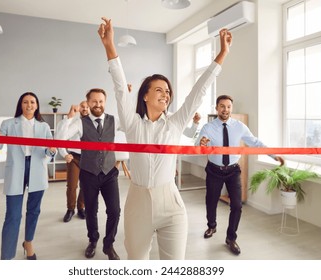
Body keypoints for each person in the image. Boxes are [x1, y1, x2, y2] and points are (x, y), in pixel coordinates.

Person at [97, 17, 232, 260]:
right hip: (138, 204)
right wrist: (109, 46)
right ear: (145, 96)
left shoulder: (175, 123)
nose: (166, 94)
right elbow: (119, 87)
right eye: (159, 90)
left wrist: (221, 55)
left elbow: (198, 92)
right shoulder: (133, 123)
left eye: (168, 91)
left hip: (171, 203)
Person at [196, 94, 284, 255]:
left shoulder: (239, 126)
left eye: (228, 106)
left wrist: (273, 155)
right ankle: (212, 226)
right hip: (214, 170)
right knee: (211, 201)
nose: (225, 109)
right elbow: (199, 144)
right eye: (222, 106)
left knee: (236, 205)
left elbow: (255, 143)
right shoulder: (208, 127)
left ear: (231, 108)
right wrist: (201, 143)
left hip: (233, 171)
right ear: (216, 108)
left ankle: (231, 238)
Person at [0, 92, 57, 260]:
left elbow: (49, 151)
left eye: (32, 102)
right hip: (16, 169)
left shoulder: (44, 126)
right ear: (21, 105)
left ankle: (28, 243)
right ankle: (7, 257)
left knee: (34, 211)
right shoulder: (9, 124)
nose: (29, 105)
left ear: (37, 105)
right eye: (25, 102)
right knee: (13, 215)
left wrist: (52, 151)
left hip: (37, 170)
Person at [57, 88, 121, 260]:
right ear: (88, 102)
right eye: (94, 101)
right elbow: (60, 138)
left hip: (109, 173)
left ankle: (109, 244)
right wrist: (69, 118)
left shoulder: (114, 120)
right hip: (89, 173)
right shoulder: (80, 122)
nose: (98, 104)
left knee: (114, 210)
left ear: (105, 102)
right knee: (91, 210)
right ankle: (93, 240)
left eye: (101, 101)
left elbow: (133, 123)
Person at [56, 101, 89, 222]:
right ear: (79, 109)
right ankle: (70, 209)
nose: (85, 109)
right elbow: (60, 137)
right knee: (72, 186)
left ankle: (81, 208)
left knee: (86, 186)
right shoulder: (74, 123)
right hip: (74, 157)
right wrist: (64, 154)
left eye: (87, 107)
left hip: (88, 158)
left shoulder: (94, 124)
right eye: (83, 107)